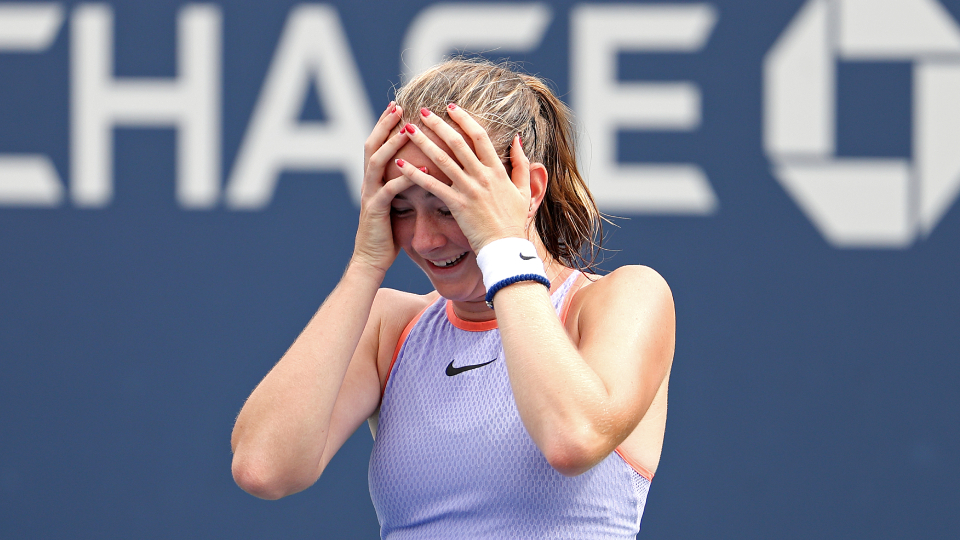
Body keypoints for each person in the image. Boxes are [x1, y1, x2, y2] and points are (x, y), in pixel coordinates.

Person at [230, 59, 675, 539]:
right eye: (402, 209)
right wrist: (364, 264)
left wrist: (503, 247)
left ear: (529, 190)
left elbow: (572, 439)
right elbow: (263, 468)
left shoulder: (624, 298)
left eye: (448, 207)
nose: (424, 240)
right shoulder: (390, 327)